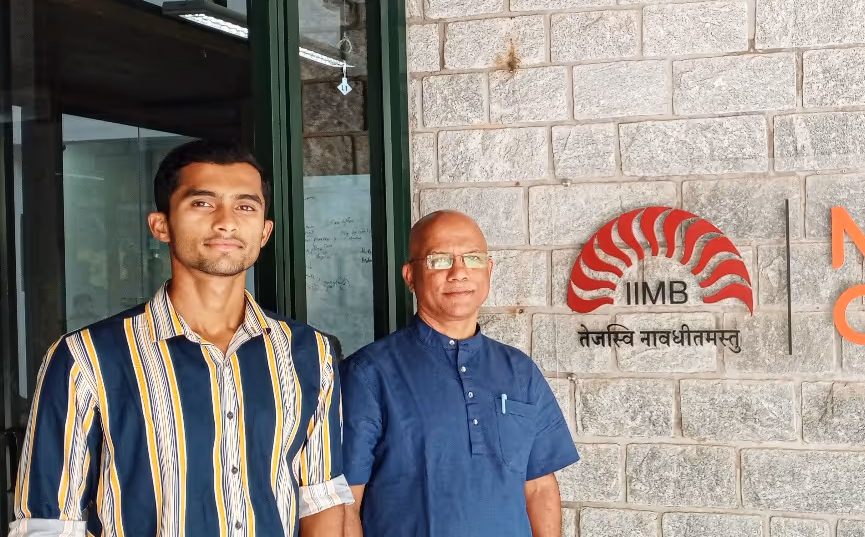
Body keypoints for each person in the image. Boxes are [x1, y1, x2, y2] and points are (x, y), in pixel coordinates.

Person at [9, 140, 351, 537]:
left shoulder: (309, 352)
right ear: (161, 226)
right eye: (202, 203)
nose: (226, 222)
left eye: (245, 206)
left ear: (264, 231)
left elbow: (320, 498)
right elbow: (49, 523)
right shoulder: (85, 357)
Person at [341, 210, 578, 537]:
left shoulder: (520, 371)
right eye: (439, 260)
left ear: (489, 270)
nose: (459, 272)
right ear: (410, 276)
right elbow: (344, 503)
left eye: (472, 258)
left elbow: (539, 487)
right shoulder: (368, 374)